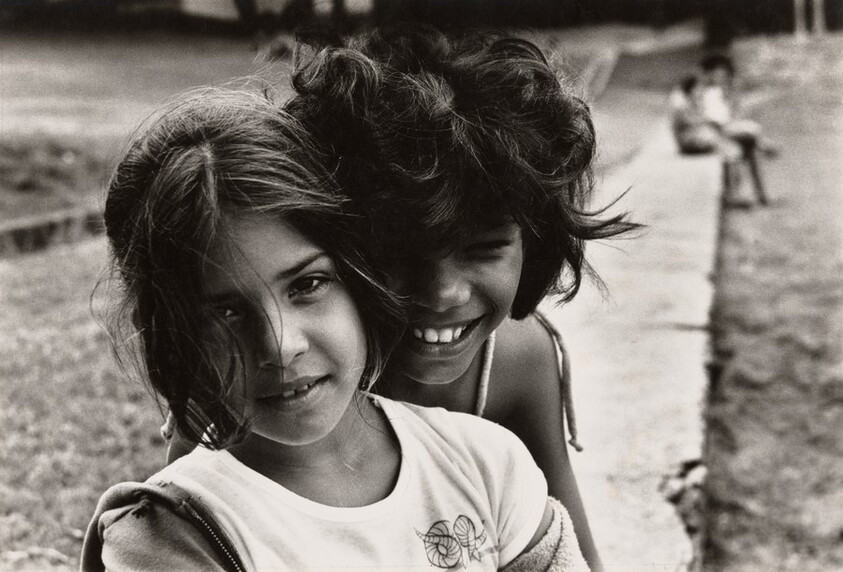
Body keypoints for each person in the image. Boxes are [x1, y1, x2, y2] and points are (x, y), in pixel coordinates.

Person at [80, 87, 589, 571]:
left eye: (308, 284)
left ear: (357, 277)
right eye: (225, 312)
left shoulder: (488, 465)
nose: (280, 345)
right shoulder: (175, 532)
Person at [284, 26, 640, 571]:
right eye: (401, 250)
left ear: (535, 245)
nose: (444, 291)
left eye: (483, 249)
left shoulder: (516, 362)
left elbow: (568, 554)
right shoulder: (275, 374)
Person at [698, 53, 779, 205]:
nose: (722, 78)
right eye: (718, 75)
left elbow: (732, 117)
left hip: (728, 132)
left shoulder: (724, 94)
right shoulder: (707, 93)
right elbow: (711, 120)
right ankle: (763, 145)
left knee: (751, 147)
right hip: (716, 133)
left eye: (724, 75)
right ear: (711, 74)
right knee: (749, 141)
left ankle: (759, 194)